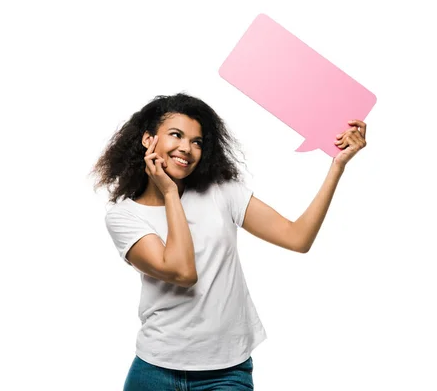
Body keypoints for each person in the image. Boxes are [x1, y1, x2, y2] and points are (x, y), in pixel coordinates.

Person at [91, 93, 368, 390]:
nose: (187, 148)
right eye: (176, 135)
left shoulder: (223, 193)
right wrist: (171, 194)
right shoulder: (124, 216)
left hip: (225, 372)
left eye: (197, 141)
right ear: (148, 140)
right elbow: (182, 271)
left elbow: (297, 238)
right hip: (155, 370)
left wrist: (338, 166)